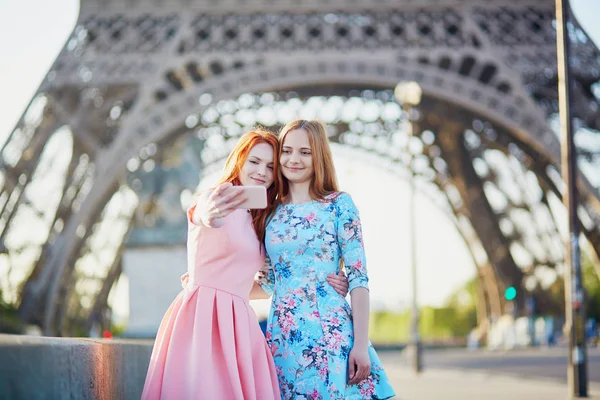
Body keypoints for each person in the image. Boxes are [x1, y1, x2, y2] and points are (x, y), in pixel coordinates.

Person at [142, 128, 348, 400]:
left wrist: (321, 282)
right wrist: (209, 214)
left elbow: (260, 286)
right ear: (239, 160)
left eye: (270, 166)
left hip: (239, 322)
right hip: (203, 318)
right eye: (254, 161)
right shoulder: (214, 197)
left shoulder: (259, 222)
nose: (261, 171)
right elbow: (202, 213)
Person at [255, 120, 396, 399]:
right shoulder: (269, 214)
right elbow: (269, 283)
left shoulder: (339, 204)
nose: (294, 159)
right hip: (283, 338)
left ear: (319, 155)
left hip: (331, 331)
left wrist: (359, 345)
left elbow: (358, 277)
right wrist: (208, 284)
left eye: (305, 152)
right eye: (287, 151)